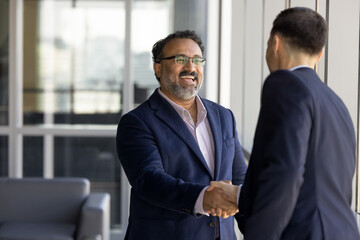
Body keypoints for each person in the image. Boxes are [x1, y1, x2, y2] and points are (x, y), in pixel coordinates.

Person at [209, 7, 360, 240]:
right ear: (319, 55)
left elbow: (285, 172)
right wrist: (240, 195)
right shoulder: (335, 102)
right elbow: (314, 183)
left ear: (275, 43)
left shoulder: (285, 84)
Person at [116, 30, 247, 240]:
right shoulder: (137, 122)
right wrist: (203, 198)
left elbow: (240, 178)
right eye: (180, 59)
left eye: (197, 60)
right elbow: (149, 180)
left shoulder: (224, 116)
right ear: (158, 68)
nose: (190, 67)